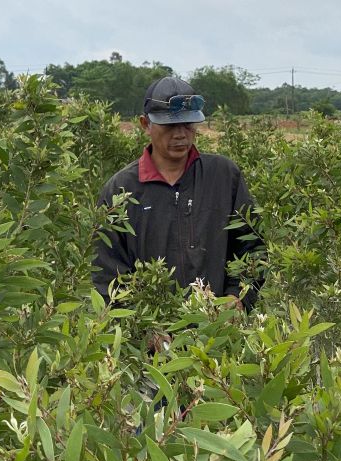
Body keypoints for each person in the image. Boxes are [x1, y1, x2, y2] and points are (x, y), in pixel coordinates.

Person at [92, 76, 263, 321]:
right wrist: (143, 328)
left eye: (188, 124)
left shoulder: (224, 176)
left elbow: (253, 248)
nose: (181, 134)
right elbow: (107, 273)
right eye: (170, 125)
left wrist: (238, 297)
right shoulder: (120, 189)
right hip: (152, 338)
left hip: (220, 330)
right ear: (145, 124)